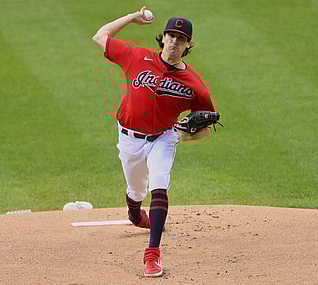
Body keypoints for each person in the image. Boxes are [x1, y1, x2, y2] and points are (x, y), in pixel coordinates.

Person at [92, 6, 215, 277]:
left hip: (164, 137)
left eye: (181, 38)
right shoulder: (136, 57)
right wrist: (133, 18)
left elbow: (204, 126)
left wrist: (185, 135)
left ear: (188, 45)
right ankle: (135, 213)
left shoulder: (195, 86)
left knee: (159, 184)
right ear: (163, 38)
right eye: (171, 35)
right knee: (136, 190)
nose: (174, 42)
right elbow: (100, 36)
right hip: (129, 137)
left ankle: (152, 254)